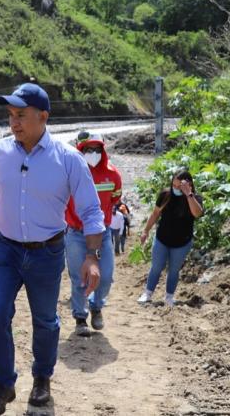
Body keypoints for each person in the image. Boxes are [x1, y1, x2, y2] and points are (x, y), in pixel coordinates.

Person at [0, 82, 105, 416]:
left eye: (21, 115)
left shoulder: (68, 159)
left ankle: (42, 378)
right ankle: (4, 384)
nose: (13, 122)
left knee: (45, 320)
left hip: (47, 252)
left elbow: (91, 210)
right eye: (10, 115)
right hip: (5, 249)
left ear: (43, 117)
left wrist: (91, 256)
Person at [64, 131, 122, 337]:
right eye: (88, 149)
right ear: (81, 150)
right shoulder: (71, 173)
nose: (93, 153)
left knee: (105, 276)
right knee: (78, 276)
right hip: (76, 233)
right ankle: (80, 318)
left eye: (97, 149)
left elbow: (114, 199)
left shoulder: (113, 174)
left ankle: (96, 307)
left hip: (102, 235)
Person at [137, 170, 204, 307]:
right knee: (156, 266)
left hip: (182, 242)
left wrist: (188, 194)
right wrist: (146, 230)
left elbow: (197, 214)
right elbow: (155, 213)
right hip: (162, 239)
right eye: (174, 185)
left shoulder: (195, 198)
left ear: (189, 184)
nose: (176, 188)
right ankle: (147, 294)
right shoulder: (165, 195)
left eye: (180, 186)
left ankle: (169, 297)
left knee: (174, 270)